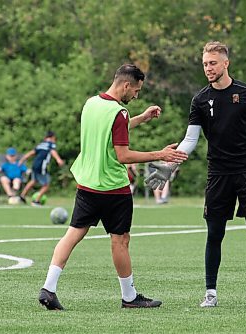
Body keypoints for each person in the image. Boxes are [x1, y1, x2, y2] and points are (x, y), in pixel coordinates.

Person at [145, 41, 246, 308]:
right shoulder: (199, 100)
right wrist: (169, 165)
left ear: (225, 63)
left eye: (212, 63)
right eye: (205, 64)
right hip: (218, 173)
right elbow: (190, 140)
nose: (208, 68)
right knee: (214, 233)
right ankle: (211, 293)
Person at [37, 64, 188, 311]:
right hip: (113, 188)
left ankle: (48, 288)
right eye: (136, 91)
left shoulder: (91, 104)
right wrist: (160, 154)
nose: (136, 96)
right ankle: (129, 297)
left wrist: (143, 117)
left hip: (87, 183)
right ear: (126, 85)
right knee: (120, 241)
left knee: (73, 233)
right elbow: (123, 155)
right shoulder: (119, 112)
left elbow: (111, 131)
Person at [19, 131, 64, 206]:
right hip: (42, 166)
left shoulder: (41, 144)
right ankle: (36, 201)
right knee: (46, 185)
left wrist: (22, 159)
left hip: (34, 165)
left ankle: (22, 195)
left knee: (34, 180)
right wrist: (58, 159)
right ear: (52, 137)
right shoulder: (51, 144)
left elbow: (31, 153)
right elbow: (53, 152)